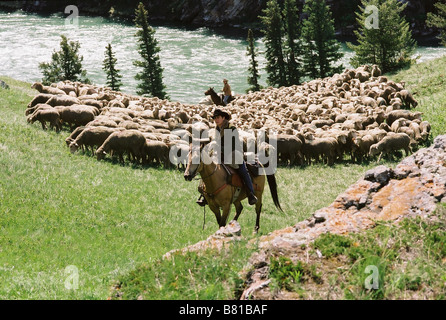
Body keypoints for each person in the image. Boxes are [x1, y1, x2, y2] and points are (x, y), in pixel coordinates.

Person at [196, 108, 258, 207]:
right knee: (207, 168)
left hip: (234, 153)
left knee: (243, 171)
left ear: (223, 118)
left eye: (218, 117)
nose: (216, 120)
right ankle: (205, 194)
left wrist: (218, 147)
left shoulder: (231, 128)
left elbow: (232, 145)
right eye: (215, 118)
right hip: (220, 153)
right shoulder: (217, 128)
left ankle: (251, 193)